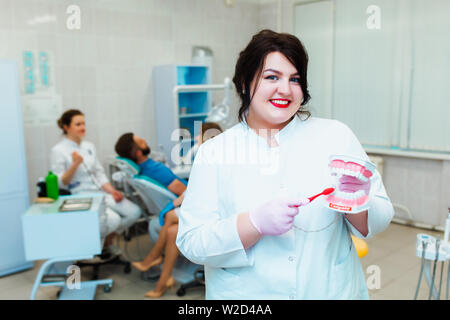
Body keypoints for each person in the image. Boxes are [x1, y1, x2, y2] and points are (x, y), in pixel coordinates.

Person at [176, 30, 394, 299]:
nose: (285, 89)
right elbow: (192, 242)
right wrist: (253, 223)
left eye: (295, 79)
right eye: (271, 77)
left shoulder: (336, 136)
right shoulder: (215, 152)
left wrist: (356, 203)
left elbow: (380, 218)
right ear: (245, 82)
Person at [114, 125, 222, 298]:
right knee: (172, 230)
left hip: (210, 208)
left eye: (198, 137)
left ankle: (153, 261)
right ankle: (163, 281)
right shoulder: (156, 169)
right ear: (137, 152)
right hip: (197, 202)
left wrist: (170, 207)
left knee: (171, 218)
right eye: (140, 140)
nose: (195, 140)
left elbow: (197, 191)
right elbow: (188, 190)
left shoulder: (216, 162)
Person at [51, 109, 142, 254]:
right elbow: (61, 183)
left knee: (134, 212)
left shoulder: (89, 146)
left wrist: (112, 191)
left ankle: (106, 241)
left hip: (100, 192)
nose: (83, 127)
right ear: (66, 127)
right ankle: (94, 247)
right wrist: (75, 165)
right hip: (80, 195)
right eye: (78, 124)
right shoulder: (59, 150)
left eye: (84, 123)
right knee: (113, 220)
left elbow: (99, 173)